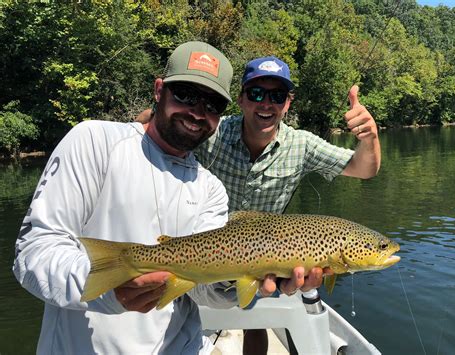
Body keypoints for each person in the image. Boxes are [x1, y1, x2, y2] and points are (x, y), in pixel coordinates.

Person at [13, 42, 324, 355]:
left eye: (212, 104)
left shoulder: (210, 189)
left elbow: (204, 292)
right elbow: (35, 254)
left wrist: (247, 276)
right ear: (159, 89)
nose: (197, 112)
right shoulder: (95, 142)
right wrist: (110, 289)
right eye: (186, 94)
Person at [137, 56, 379, 354]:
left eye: (277, 96)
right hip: (203, 246)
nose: (266, 103)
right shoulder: (213, 129)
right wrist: (146, 120)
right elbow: (161, 124)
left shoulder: (301, 144)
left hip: (266, 255)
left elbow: (364, 168)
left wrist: (369, 137)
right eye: (256, 94)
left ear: (287, 104)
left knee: (257, 321)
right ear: (240, 99)